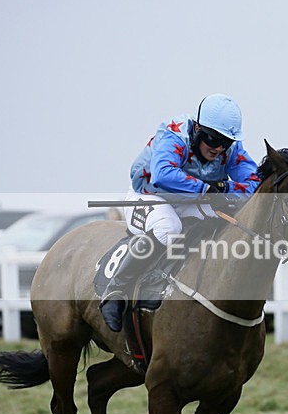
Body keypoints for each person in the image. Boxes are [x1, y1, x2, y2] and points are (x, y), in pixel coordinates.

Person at [99, 94, 261, 332]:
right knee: (169, 228)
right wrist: (208, 188)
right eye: (212, 139)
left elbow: (253, 183)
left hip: (187, 199)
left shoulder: (231, 149)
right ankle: (115, 290)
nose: (218, 148)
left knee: (221, 222)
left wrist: (225, 189)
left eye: (225, 142)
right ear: (197, 129)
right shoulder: (175, 134)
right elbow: (162, 174)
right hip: (147, 196)